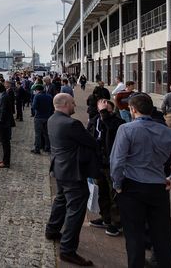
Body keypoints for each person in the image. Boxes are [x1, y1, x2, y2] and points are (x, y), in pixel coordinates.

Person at [110, 94, 171, 268]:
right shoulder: (166, 131)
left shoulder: (126, 129)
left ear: (132, 109)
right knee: (163, 235)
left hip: (132, 187)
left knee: (134, 235)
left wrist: (117, 184)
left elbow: (117, 161)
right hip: (158, 188)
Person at [45, 94, 98, 267]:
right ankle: (67, 250)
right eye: (74, 102)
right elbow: (92, 142)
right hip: (72, 172)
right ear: (66, 104)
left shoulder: (52, 119)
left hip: (59, 168)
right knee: (75, 209)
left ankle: (52, 230)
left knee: (61, 200)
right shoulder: (72, 124)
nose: (76, 104)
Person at [86, 99, 125, 237]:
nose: (104, 112)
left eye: (107, 109)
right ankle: (106, 218)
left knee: (114, 193)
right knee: (101, 192)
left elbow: (111, 128)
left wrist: (105, 113)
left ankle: (117, 223)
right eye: (102, 108)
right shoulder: (94, 120)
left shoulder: (118, 122)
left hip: (112, 164)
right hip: (98, 162)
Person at [0, 81, 14, 168]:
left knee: (5, 143)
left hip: (4, 124)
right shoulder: (4, 95)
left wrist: (0, 122)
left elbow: (3, 111)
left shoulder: (3, 97)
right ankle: (4, 160)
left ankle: (6, 162)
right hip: (5, 122)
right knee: (5, 143)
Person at [31, 84, 53, 154]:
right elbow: (52, 107)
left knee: (38, 134)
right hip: (47, 117)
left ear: (37, 90)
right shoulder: (49, 96)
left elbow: (34, 107)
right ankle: (47, 148)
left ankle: (37, 149)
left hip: (39, 117)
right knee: (46, 134)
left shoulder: (37, 96)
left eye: (35, 90)